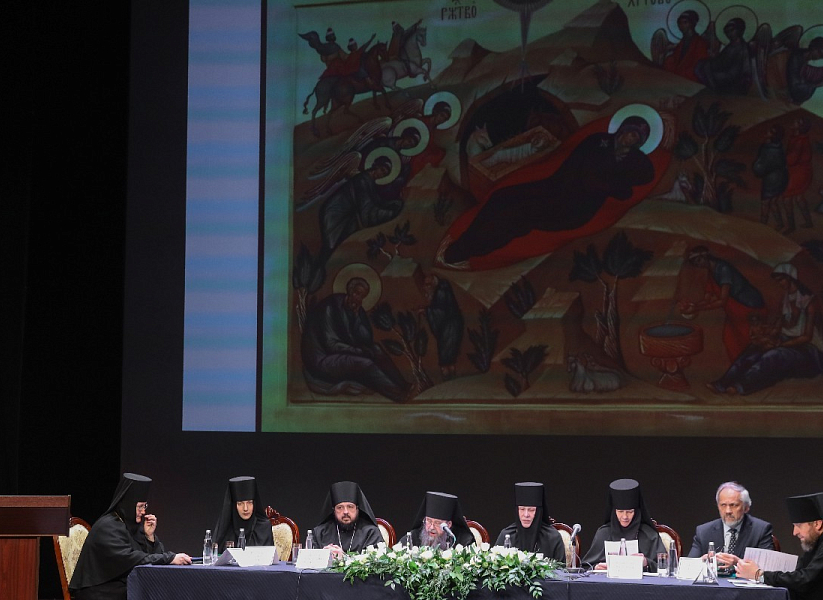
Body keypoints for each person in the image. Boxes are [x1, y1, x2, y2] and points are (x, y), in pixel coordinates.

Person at [441, 116, 655, 267]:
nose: (630, 138)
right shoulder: (597, 141)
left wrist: (617, 182)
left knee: (518, 215)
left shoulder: (634, 161)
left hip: (575, 208)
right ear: (622, 129)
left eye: (636, 138)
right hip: (558, 187)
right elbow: (575, 169)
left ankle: (467, 251)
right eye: (630, 132)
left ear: (639, 143)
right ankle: (466, 239)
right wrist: (612, 184)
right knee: (502, 196)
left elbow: (642, 178)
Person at [707, 264, 823, 395]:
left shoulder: (809, 301)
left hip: (810, 353)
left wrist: (779, 345)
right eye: (778, 281)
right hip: (788, 342)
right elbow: (778, 327)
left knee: (772, 355)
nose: (780, 284)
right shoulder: (785, 299)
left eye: (781, 280)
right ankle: (723, 383)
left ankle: (741, 386)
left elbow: (806, 337)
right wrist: (764, 339)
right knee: (754, 349)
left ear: (790, 278)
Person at [300, 276, 411, 401]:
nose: (358, 298)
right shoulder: (330, 307)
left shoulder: (357, 309)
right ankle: (399, 395)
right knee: (365, 363)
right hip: (321, 360)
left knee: (376, 349)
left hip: (340, 354)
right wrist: (358, 351)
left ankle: (405, 386)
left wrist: (357, 317)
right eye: (357, 293)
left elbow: (367, 340)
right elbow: (331, 344)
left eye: (362, 296)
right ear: (350, 290)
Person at [678, 246, 767, 365]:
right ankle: (739, 368)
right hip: (735, 311)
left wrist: (696, 308)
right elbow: (708, 298)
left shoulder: (723, 269)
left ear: (705, 257)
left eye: (698, 260)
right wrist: (692, 306)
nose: (698, 264)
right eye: (694, 263)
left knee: (749, 341)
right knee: (730, 339)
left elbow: (722, 301)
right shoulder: (711, 272)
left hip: (748, 308)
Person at [581, 478, 666, 571]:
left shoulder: (649, 535)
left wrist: (646, 562)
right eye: (620, 511)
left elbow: (665, 567)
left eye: (629, 512)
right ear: (614, 511)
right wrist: (596, 567)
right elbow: (585, 566)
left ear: (636, 512)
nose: (625, 516)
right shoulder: (604, 533)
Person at [686, 482, 775, 569]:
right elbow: (687, 568)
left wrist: (738, 563)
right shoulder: (703, 531)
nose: (728, 511)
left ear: (746, 507)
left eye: (733, 505)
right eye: (723, 505)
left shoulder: (761, 530)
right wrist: (702, 561)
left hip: (744, 578)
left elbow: (768, 569)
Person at [309, 481, 385, 558]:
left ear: (357, 509)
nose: (345, 512)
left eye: (350, 507)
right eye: (340, 507)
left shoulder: (370, 532)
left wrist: (344, 557)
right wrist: (323, 556)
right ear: (333, 510)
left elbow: (375, 562)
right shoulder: (320, 533)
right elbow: (310, 561)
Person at [493, 482, 565, 561]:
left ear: (538, 512)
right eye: (522, 509)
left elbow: (561, 567)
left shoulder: (553, 537)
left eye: (531, 510)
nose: (526, 514)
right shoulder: (506, 535)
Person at [211, 476, 274, 551]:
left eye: (249, 503)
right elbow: (215, 555)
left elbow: (269, 556)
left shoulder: (264, 527)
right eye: (240, 503)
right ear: (234, 506)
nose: (245, 508)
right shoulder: (226, 528)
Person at [407, 491, 474, 549]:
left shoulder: (464, 541)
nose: (432, 527)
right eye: (429, 521)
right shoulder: (413, 537)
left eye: (437, 523)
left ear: (448, 524)